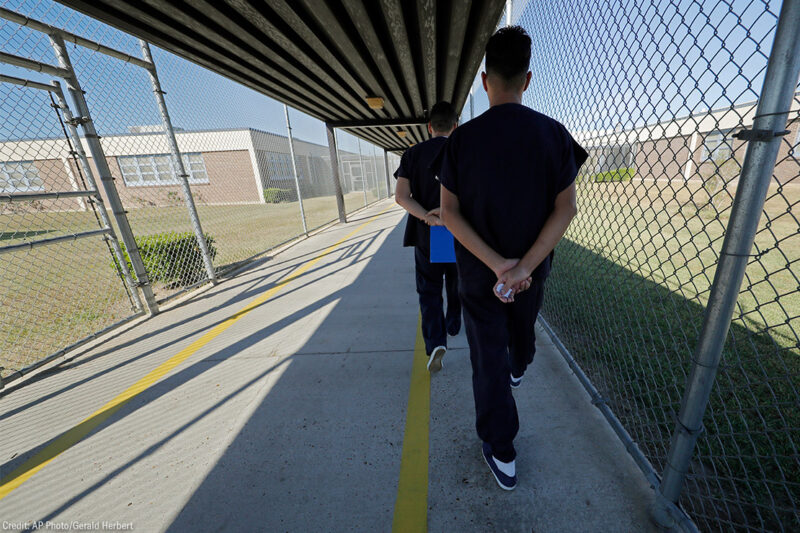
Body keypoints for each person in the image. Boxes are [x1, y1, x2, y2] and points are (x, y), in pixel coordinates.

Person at [437, 26, 588, 490]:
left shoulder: (460, 141)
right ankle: (520, 362)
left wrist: (495, 264)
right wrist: (521, 266)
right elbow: (567, 207)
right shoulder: (553, 134)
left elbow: (448, 213)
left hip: (479, 276)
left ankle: (502, 451)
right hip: (532, 271)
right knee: (521, 334)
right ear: (527, 79)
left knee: (488, 358)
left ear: (485, 80)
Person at [394, 101, 462, 373]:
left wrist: (428, 217)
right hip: (458, 233)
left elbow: (401, 197)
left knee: (429, 290)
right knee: (457, 281)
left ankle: (435, 341)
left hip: (428, 235)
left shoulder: (412, 154)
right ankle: (454, 321)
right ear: (455, 126)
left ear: (430, 127)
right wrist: (447, 216)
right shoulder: (464, 152)